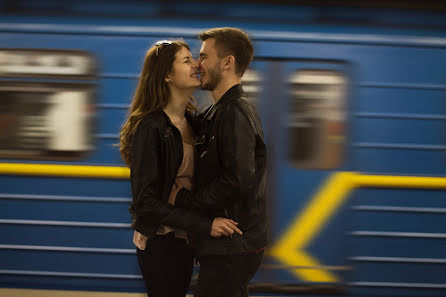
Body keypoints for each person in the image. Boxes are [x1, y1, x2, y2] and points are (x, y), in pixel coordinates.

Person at [119, 40, 242, 297]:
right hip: (162, 242)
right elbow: (146, 203)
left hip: (185, 238)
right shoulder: (150, 128)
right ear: (166, 75)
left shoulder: (191, 122)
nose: (196, 64)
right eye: (187, 61)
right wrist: (205, 224)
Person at [169, 28, 267, 297]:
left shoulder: (234, 113)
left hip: (232, 244)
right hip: (230, 244)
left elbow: (238, 179)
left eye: (203, 56)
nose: (198, 65)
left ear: (228, 62)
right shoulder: (217, 111)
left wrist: (185, 200)